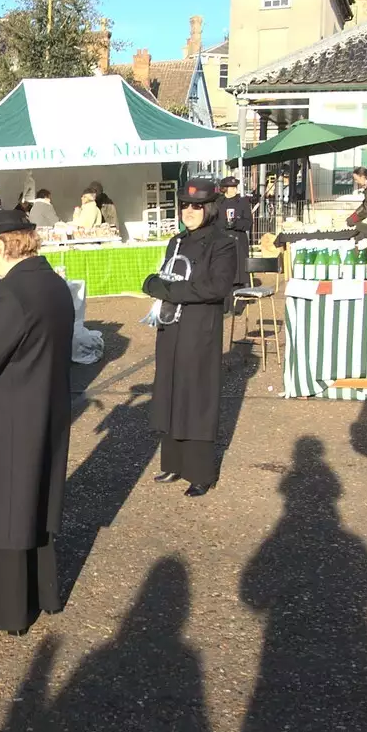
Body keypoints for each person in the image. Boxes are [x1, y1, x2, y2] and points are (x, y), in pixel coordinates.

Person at [0, 209, 73, 635]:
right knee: (33, 504)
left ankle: (6, 612)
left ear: (3, 246)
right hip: (44, 404)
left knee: (3, 511)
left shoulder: (11, 292)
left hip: (9, 413)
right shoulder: (51, 283)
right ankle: (43, 594)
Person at [143, 177, 238, 496]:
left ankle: (200, 472)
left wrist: (171, 289)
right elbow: (167, 273)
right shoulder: (176, 241)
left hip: (199, 330)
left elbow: (217, 287)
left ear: (209, 208)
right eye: (185, 205)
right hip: (171, 328)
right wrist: (153, 283)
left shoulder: (223, 243)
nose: (189, 211)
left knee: (196, 398)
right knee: (170, 392)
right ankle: (173, 463)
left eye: (196, 206)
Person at [217, 175, 254, 288]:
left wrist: (236, 224)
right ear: (224, 189)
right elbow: (214, 222)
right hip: (224, 241)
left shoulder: (242, 202)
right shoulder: (218, 203)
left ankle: (243, 292)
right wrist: (224, 225)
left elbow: (248, 223)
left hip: (239, 242)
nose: (234, 189)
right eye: (231, 187)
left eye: (235, 186)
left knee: (240, 271)